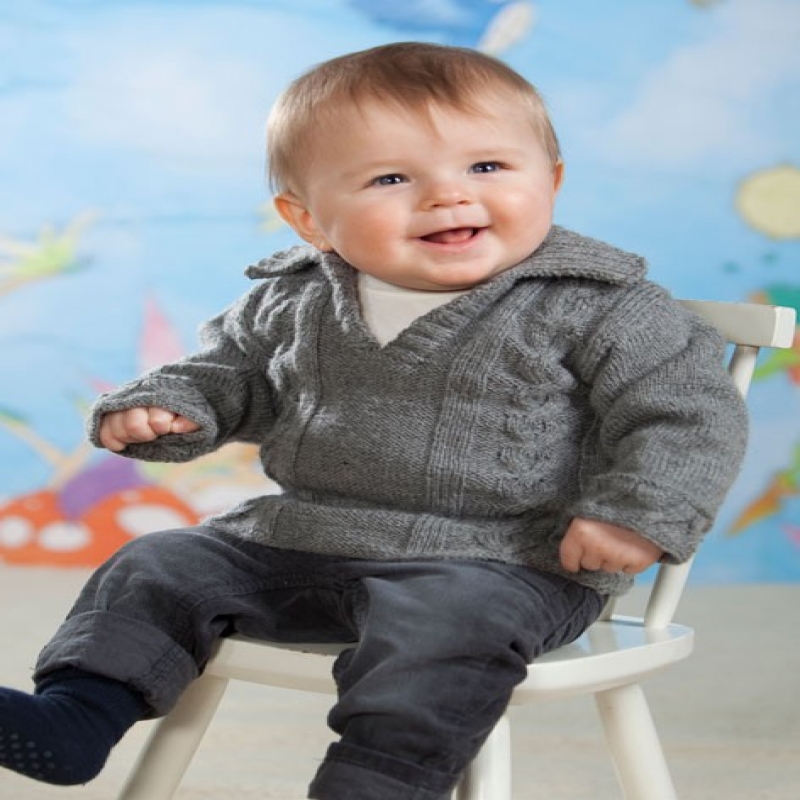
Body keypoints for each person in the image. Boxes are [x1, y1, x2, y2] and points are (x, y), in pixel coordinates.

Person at [0, 42, 748, 799]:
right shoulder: (294, 295)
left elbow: (686, 415)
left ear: (550, 180)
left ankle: (377, 783)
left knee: (444, 626)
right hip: (302, 536)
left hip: (502, 559)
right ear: (309, 220)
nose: (447, 196)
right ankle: (76, 718)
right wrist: (172, 408)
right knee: (159, 566)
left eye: (487, 166)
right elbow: (232, 374)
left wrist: (636, 514)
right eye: (392, 178)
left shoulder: (600, 304)